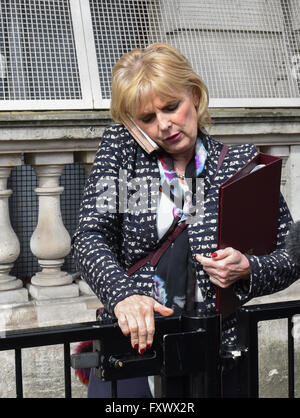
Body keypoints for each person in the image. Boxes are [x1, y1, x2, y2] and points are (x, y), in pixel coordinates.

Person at [72, 42, 300, 397]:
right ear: (133, 122)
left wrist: (248, 268)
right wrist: (124, 296)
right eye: (148, 118)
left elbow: (290, 256)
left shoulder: (238, 164)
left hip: (216, 354)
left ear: (193, 95)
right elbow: (89, 237)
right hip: (136, 349)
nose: (164, 125)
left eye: (171, 107)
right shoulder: (125, 156)